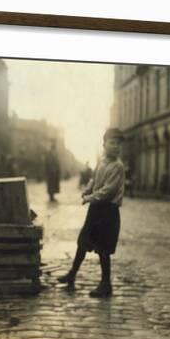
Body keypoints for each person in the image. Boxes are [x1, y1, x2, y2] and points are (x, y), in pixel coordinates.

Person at [57, 128, 125, 298]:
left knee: (103, 249)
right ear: (104, 144)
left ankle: (106, 284)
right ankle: (72, 273)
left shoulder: (117, 166)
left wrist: (90, 198)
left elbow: (108, 191)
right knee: (83, 241)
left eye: (118, 144)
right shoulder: (102, 162)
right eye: (112, 143)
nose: (115, 147)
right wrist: (87, 190)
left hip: (108, 211)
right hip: (96, 210)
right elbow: (94, 180)